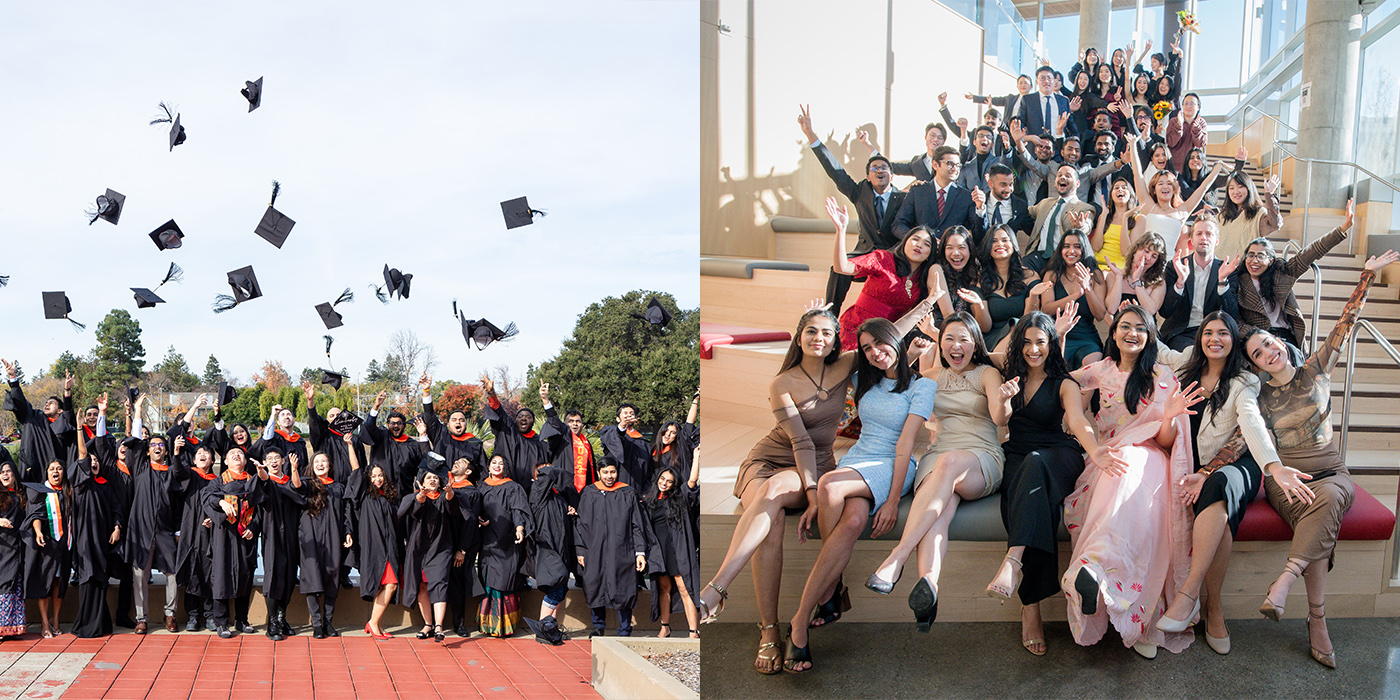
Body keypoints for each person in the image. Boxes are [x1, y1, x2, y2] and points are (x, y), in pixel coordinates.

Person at [1247, 251, 1400, 669]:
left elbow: (1345, 325)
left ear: (1281, 342)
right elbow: (1247, 439)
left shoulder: (1315, 368)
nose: (1267, 353)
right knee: (1320, 509)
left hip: (1332, 473)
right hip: (1287, 480)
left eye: (1269, 344)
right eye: (1258, 354)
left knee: (1330, 497)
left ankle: (1285, 581)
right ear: (1257, 365)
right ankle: (1317, 619)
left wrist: (1366, 277)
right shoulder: (1258, 396)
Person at [695, 306, 854, 674]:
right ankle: (769, 630)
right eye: (811, 331)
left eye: (827, 333)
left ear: (835, 341)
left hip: (814, 465)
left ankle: (716, 591)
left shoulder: (846, 365)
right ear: (799, 337)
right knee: (772, 515)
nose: (819, 338)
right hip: (768, 460)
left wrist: (931, 300)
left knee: (773, 495)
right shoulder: (781, 383)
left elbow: (890, 335)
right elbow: (798, 440)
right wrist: (814, 496)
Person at [783, 318, 937, 673]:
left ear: (895, 340)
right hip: (858, 458)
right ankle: (830, 591)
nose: (874, 353)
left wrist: (894, 499)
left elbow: (905, 445)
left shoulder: (922, 386)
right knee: (851, 520)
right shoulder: (861, 380)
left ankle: (803, 618)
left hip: (892, 465)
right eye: (866, 348)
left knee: (829, 486)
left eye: (879, 344)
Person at [1153, 312, 1300, 655]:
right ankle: (1212, 607)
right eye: (1208, 332)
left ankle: (1192, 596)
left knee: (1219, 484)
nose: (1214, 338)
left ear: (1234, 340)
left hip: (1240, 464)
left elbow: (1251, 424)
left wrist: (1274, 466)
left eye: (1223, 333)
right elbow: (1158, 349)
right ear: (1200, 338)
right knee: (1216, 501)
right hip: (1197, 466)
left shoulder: (1244, 382)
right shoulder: (1185, 368)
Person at [1063, 305, 1204, 659]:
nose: (1131, 333)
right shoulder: (1102, 370)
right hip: (1109, 453)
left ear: (1149, 335)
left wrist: (1170, 417)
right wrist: (1061, 337)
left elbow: (1169, 441)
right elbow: (1063, 381)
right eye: (1124, 326)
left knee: (1141, 498)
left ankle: (1135, 610)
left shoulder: (1162, 376)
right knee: (1119, 474)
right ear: (1112, 334)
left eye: (1140, 328)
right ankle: (1095, 572)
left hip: (1152, 456)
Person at [866, 312, 1013, 632]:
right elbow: (892, 390)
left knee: (947, 466)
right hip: (938, 458)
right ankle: (928, 588)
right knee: (940, 511)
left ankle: (896, 558)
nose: (956, 345)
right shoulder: (928, 377)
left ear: (975, 343)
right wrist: (909, 357)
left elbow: (1000, 419)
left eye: (963, 339)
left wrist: (1004, 401)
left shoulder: (987, 374)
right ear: (939, 343)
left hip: (980, 457)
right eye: (948, 339)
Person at [983, 311, 1112, 656]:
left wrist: (1095, 452)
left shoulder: (1065, 382)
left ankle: (1014, 562)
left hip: (1058, 454)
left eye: (1040, 341)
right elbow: (1000, 420)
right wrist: (1005, 400)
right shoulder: (1008, 377)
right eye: (1025, 342)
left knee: (1036, 466)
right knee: (1030, 491)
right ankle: (1031, 606)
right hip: (1018, 454)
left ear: (1051, 343)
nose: (1032, 349)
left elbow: (1077, 420)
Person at [800, 104, 907, 314]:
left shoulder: (904, 198)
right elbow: (835, 171)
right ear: (868, 176)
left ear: (892, 176)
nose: (879, 170)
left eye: (884, 167)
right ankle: (829, 315)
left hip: (892, 258)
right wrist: (811, 135)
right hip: (864, 253)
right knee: (839, 267)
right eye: (874, 168)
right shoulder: (860, 192)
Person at [1236, 204, 1352, 359]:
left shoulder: (1281, 273)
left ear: (1271, 261)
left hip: (1285, 335)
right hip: (1256, 337)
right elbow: (1233, 317)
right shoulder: (1238, 280)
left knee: (1293, 357)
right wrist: (1251, 332)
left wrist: (1343, 229)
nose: (1254, 260)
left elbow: (1311, 252)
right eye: (1250, 255)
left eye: (1260, 256)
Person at [829, 197, 936, 350]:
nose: (919, 245)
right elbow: (842, 267)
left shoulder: (922, 279)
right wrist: (841, 230)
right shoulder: (883, 259)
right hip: (857, 328)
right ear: (905, 241)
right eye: (915, 239)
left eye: (926, 244)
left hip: (885, 339)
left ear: (930, 254)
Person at [121, 393, 182, 635]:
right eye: (153, 446)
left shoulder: (171, 471)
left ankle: (170, 615)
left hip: (165, 530)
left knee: (172, 574)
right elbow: (135, 439)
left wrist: (177, 530)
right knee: (139, 574)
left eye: (161, 446)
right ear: (147, 452)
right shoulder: (140, 467)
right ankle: (141, 618)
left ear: (166, 452)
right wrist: (137, 410)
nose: (157, 448)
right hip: (141, 530)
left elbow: (179, 502)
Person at [68, 407, 124, 639]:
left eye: (95, 460)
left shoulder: (106, 486)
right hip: (84, 540)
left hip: (102, 540)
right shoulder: (82, 483)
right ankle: (85, 624)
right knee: (87, 578)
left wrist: (118, 527)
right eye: (89, 460)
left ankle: (101, 624)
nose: (92, 462)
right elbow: (82, 454)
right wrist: (80, 428)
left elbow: (116, 509)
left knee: (101, 579)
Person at [292, 437, 355, 639]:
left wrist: (348, 531)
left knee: (331, 578)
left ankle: (328, 622)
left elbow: (346, 512)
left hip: (334, 537)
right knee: (311, 578)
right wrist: (294, 469)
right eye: (316, 461)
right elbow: (296, 488)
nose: (320, 464)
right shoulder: (308, 485)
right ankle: (317, 625)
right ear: (312, 466)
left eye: (324, 462)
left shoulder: (338, 487)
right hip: (310, 537)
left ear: (330, 466)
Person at [577, 457, 647, 638]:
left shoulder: (628, 493)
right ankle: (598, 627)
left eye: (612, 472)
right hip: (594, 550)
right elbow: (581, 524)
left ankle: (624, 630)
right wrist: (580, 550)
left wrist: (640, 552)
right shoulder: (589, 493)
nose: (609, 476)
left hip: (622, 550)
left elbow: (637, 525)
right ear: (599, 473)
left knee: (623, 587)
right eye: (605, 472)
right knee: (595, 585)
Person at [1125, 131, 1224, 255]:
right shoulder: (1149, 206)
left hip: (1170, 266)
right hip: (1148, 262)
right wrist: (1133, 146)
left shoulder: (1182, 211)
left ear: (1174, 189)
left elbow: (1203, 188)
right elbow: (1137, 175)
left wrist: (1218, 168)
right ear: (1154, 190)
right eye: (1160, 184)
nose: (1165, 186)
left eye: (1169, 184)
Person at [204, 448, 264, 638]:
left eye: (240, 454)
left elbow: (261, 509)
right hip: (224, 535)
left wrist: (253, 528)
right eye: (232, 455)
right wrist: (222, 503)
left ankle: (241, 619)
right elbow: (206, 498)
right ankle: (221, 622)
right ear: (226, 462)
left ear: (245, 460)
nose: (237, 456)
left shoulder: (252, 481)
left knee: (245, 577)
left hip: (245, 535)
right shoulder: (218, 482)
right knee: (221, 576)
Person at [398, 457, 457, 643]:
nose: (433, 480)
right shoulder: (413, 497)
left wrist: (449, 494)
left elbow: (452, 508)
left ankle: (439, 626)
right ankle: (428, 624)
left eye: (436, 478)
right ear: (421, 481)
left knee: (439, 584)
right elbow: (413, 509)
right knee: (422, 585)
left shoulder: (444, 497)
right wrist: (421, 495)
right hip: (419, 549)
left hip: (441, 548)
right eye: (429, 477)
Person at [1161, 217, 1241, 350]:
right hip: (1181, 333)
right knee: (1189, 353)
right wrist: (1180, 283)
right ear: (1192, 240)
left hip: (1214, 332)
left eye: (1209, 234)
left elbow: (1232, 314)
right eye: (1199, 233)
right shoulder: (1176, 266)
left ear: (1217, 241)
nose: (1203, 237)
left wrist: (1222, 282)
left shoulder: (1227, 270)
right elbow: (1165, 311)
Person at [346, 460, 403, 640]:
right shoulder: (364, 496)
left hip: (391, 546)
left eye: (380, 475)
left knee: (388, 584)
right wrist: (350, 445)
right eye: (374, 476)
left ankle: (375, 623)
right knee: (390, 584)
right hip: (374, 546)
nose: (377, 479)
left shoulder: (390, 497)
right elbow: (356, 469)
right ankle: (373, 623)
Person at [476, 453, 531, 638]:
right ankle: (488, 625)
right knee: (488, 579)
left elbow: (518, 508)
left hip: (507, 541)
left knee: (503, 581)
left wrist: (519, 527)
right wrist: (478, 519)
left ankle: (503, 626)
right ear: (489, 466)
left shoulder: (513, 487)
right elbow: (475, 507)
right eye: (494, 463)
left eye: (500, 463)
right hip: (487, 540)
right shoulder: (482, 485)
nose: (497, 466)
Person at [1038, 229, 1108, 368]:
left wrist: (1087, 289)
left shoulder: (1096, 275)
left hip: (1086, 337)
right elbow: (1046, 309)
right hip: (1056, 334)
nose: (1071, 251)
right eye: (1066, 246)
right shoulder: (1051, 275)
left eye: (1077, 247)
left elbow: (1100, 315)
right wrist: (1076, 295)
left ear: (1084, 250)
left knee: (1091, 368)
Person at [644, 466, 700, 638]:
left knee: (684, 588)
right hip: (659, 551)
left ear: (674, 484)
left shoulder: (679, 499)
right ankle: (665, 627)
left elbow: (691, 482)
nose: (664, 483)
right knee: (663, 588)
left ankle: (693, 631)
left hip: (677, 550)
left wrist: (697, 457)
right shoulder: (649, 500)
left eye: (669, 481)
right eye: (662, 479)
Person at [891, 146, 983, 243]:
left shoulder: (966, 196)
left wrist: (980, 209)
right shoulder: (917, 191)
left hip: (951, 253)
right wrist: (918, 240)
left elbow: (978, 235)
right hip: (922, 252)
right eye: (950, 164)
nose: (955, 169)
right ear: (935, 165)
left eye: (958, 165)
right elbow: (898, 224)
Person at [528, 455, 575, 644]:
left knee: (561, 589)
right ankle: (543, 629)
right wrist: (548, 470)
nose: (548, 473)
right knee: (556, 585)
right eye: (541, 472)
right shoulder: (537, 491)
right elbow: (552, 475)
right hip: (547, 548)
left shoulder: (558, 496)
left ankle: (550, 628)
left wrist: (571, 511)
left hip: (560, 547)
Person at [978, 225, 1048, 352]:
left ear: (1013, 244)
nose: (1000, 244)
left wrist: (1033, 296)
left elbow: (1030, 319)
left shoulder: (1029, 276)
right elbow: (985, 327)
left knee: (1017, 326)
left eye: (1005, 240)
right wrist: (978, 303)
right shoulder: (980, 280)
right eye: (994, 241)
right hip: (991, 340)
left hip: (1023, 335)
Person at [172, 440, 218, 633]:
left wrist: (213, 519)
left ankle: (209, 615)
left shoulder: (218, 480)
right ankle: (192, 616)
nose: (202, 455)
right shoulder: (190, 475)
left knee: (210, 573)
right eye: (199, 453)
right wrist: (175, 451)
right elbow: (177, 471)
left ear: (212, 460)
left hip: (211, 533)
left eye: (206, 453)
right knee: (192, 572)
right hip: (190, 530)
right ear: (194, 459)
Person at [3, 362, 75, 483]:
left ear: (60, 410)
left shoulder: (63, 424)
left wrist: (67, 390)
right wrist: (13, 379)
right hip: (31, 473)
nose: (47, 404)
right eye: (46, 402)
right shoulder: (34, 417)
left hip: (55, 476)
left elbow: (69, 414)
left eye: (51, 403)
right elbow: (21, 403)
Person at [255, 449, 299, 640]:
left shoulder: (290, 480)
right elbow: (264, 483)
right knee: (273, 576)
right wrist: (260, 471)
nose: (273, 461)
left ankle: (282, 617)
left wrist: (295, 469)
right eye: (269, 459)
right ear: (265, 462)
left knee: (289, 576)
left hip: (291, 534)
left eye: (276, 458)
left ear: (283, 460)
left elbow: (299, 491)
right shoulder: (265, 481)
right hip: (272, 533)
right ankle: (272, 622)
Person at [25, 459, 72, 638]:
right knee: (45, 583)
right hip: (46, 543)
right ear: (46, 472)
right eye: (52, 469)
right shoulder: (40, 491)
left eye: (59, 468)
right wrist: (38, 532)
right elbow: (35, 514)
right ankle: (45, 623)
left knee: (59, 582)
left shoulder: (68, 491)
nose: (55, 472)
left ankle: (56, 619)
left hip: (63, 544)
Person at [1023, 164, 1096, 273]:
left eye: (1068, 176)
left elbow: (1087, 225)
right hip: (1039, 255)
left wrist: (1080, 226)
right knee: (1023, 269)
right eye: (1059, 175)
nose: (1063, 178)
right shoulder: (1045, 203)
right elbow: (1023, 212)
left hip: (1062, 258)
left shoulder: (1085, 207)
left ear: (1077, 184)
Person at [482, 375, 548, 489]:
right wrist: (491, 393)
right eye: (520, 416)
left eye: (528, 417)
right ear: (515, 420)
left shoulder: (540, 444)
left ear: (533, 422)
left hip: (532, 492)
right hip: (505, 489)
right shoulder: (508, 432)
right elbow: (500, 412)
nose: (523, 418)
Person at [444, 451, 481, 638]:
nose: (457, 461)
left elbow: (471, 523)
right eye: (457, 460)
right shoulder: (445, 487)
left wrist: (463, 549)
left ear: (468, 472)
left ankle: (458, 624)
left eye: (463, 462)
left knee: (458, 583)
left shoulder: (472, 492)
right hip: (442, 544)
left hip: (459, 545)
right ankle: (436, 623)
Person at [363, 390, 427, 499]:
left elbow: (422, 469)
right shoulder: (381, 438)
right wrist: (376, 406)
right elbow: (369, 426)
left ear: (404, 426)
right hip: (381, 495)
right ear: (388, 425)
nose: (396, 425)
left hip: (404, 495)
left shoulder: (413, 445)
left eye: (399, 423)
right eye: (392, 423)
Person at [540, 384, 596, 505]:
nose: (575, 424)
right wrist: (545, 400)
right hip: (563, 490)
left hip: (584, 492)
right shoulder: (563, 436)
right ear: (565, 424)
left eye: (578, 421)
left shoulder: (586, 443)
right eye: (571, 421)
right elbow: (554, 420)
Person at [1217, 168, 1283, 265]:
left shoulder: (1258, 213)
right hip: (1218, 267)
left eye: (1240, 187)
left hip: (1243, 269)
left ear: (1248, 188)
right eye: (1231, 188)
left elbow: (1275, 224)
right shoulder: (1222, 215)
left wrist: (1269, 194)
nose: (1236, 192)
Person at [304, 381, 362, 483]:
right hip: (329, 487)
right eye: (332, 416)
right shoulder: (323, 437)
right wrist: (310, 401)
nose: (336, 418)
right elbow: (314, 421)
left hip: (351, 487)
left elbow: (362, 463)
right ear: (327, 421)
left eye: (338, 415)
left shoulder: (354, 440)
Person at [1104, 231, 1169, 317]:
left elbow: (1150, 310)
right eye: (1146, 251)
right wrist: (1119, 277)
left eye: (1154, 256)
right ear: (1136, 250)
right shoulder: (1113, 275)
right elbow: (1111, 309)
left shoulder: (1158, 283)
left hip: (1146, 329)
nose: (1148, 258)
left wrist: (1137, 281)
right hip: (1121, 328)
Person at [1091, 177, 1141, 269]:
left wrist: (1125, 218)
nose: (1120, 189)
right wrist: (1104, 215)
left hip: (1118, 268)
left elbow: (1126, 252)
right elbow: (1096, 247)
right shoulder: (1104, 216)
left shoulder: (1138, 219)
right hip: (1097, 265)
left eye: (1124, 187)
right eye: (1116, 188)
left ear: (1131, 194)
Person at [1017, 66, 1077, 141]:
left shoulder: (1063, 101)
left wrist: (1076, 137)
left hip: (1058, 148)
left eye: (1049, 78)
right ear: (1036, 82)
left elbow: (1070, 123)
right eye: (1042, 78)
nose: (1046, 81)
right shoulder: (1027, 100)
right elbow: (1020, 123)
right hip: (1034, 148)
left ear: (1053, 81)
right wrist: (1026, 138)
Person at [0, 463, 26, 638]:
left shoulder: (21, 496)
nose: (5, 474)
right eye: (2, 472)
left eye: (9, 471)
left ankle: (13, 626)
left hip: (16, 547)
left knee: (14, 583)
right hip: (2, 547)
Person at [599, 403, 651, 489]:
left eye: (632, 413)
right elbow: (618, 437)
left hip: (637, 489)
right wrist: (623, 425)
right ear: (618, 419)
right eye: (625, 413)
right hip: (615, 487)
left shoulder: (643, 442)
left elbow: (647, 469)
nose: (629, 415)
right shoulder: (610, 433)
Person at [258, 404, 308, 470]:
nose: (286, 417)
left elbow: (305, 464)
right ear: (278, 422)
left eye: (288, 414)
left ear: (294, 420)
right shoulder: (274, 438)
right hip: (279, 478)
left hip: (298, 478)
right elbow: (266, 440)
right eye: (282, 415)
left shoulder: (300, 442)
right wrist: (273, 415)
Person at [1165, 93, 1207, 172]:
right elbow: (1170, 142)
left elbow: (1201, 143)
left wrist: (1196, 129)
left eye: (1192, 103)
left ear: (1198, 107)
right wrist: (1179, 126)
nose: (1188, 106)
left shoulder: (1202, 123)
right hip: (1174, 167)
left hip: (1192, 169)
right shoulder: (1174, 121)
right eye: (1186, 103)